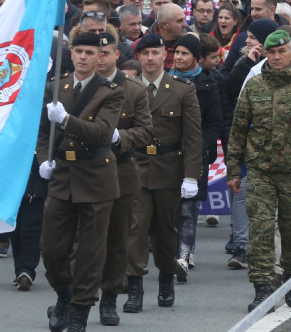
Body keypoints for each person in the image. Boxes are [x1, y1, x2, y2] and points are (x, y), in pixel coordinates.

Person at [226, 30, 291, 312]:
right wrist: (233, 169)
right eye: (270, 53)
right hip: (260, 170)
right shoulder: (254, 86)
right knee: (260, 230)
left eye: (281, 52)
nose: (275, 57)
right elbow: (237, 130)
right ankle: (262, 288)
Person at [36, 32, 123, 332]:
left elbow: (102, 132)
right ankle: (64, 293)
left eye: (90, 52)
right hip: (62, 177)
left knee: (89, 252)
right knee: (52, 249)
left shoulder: (110, 91)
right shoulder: (56, 87)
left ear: (100, 57)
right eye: (78, 51)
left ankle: (79, 315)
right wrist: (42, 160)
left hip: (97, 177)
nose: (83, 57)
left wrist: (66, 120)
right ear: (70, 54)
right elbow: (42, 132)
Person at [124, 34, 202, 314]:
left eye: (155, 53)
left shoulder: (182, 90)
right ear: (138, 57)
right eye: (144, 54)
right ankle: (135, 287)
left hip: (169, 167)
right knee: (136, 228)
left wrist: (192, 176)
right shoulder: (128, 88)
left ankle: (166, 278)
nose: (149, 59)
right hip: (135, 166)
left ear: (163, 56)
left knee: (166, 230)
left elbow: (193, 137)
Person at [95, 32, 153, 326]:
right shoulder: (72, 87)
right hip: (82, 172)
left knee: (118, 239)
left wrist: (122, 136)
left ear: (116, 54)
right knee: (79, 241)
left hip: (120, 169)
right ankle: (70, 297)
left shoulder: (134, 90)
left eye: (105, 52)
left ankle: (108, 299)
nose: (100, 57)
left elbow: (145, 131)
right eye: (95, 52)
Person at [169, 34, 225, 283]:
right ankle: (168, 253)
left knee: (188, 208)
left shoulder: (208, 84)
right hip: (166, 154)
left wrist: (198, 147)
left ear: (195, 58)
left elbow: (215, 123)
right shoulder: (164, 82)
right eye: (177, 53)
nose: (179, 57)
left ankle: (183, 255)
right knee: (168, 207)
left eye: (185, 54)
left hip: (195, 155)